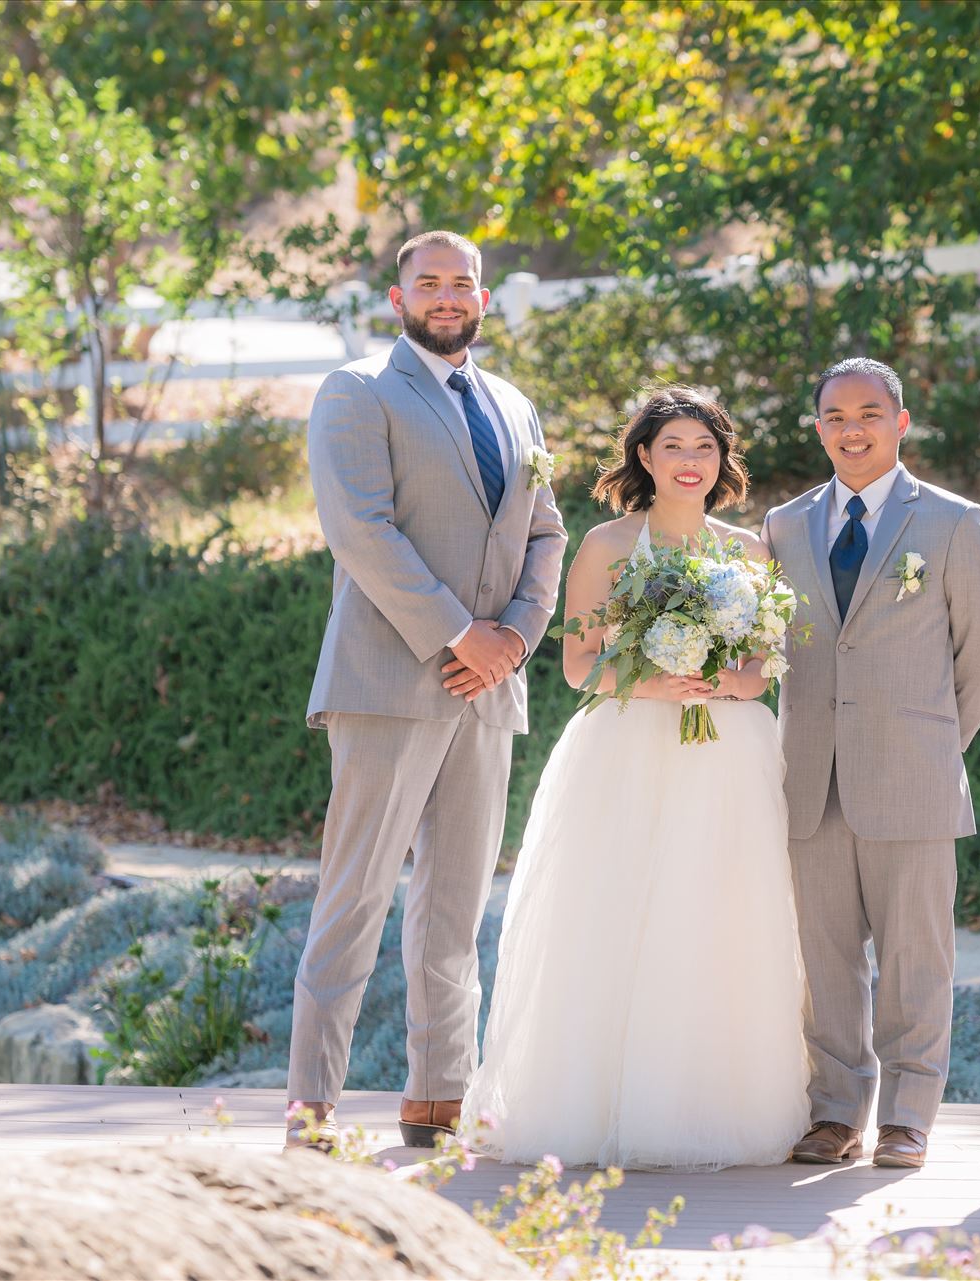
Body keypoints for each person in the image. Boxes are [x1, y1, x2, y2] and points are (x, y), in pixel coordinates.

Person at [466, 385, 809, 1170]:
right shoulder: (607, 546)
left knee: (719, 916)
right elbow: (579, 664)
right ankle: (599, 1105)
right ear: (644, 458)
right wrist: (656, 681)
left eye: (704, 447)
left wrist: (717, 678)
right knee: (616, 916)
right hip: (626, 749)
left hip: (728, 750)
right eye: (673, 447)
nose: (690, 462)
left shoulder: (748, 550)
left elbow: (762, 671)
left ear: (723, 460)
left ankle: (710, 1105)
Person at [286, 230, 568, 1151]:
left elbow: (547, 536)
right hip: (388, 679)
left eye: (463, 283)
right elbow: (360, 529)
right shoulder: (358, 392)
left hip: (489, 689)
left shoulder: (517, 406)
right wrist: (462, 632)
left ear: (482, 299)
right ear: (398, 296)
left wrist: (515, 638)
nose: (448, 296)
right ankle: (311, 1109)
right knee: (355, 895)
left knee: (455, 906)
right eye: (429, 283)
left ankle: (439, 1096)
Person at [762, 357, 980, 1169]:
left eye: (869, 413)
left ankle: (909, 1114)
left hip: (914, 775)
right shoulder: (784, 526)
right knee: (824, 960)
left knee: (916, 956)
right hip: (809, 780)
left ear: (900, 422)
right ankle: (836, 1110)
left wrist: (937, 740)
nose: (852, 429)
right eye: (835, 416)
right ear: (818, 428)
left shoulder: (951, 522)